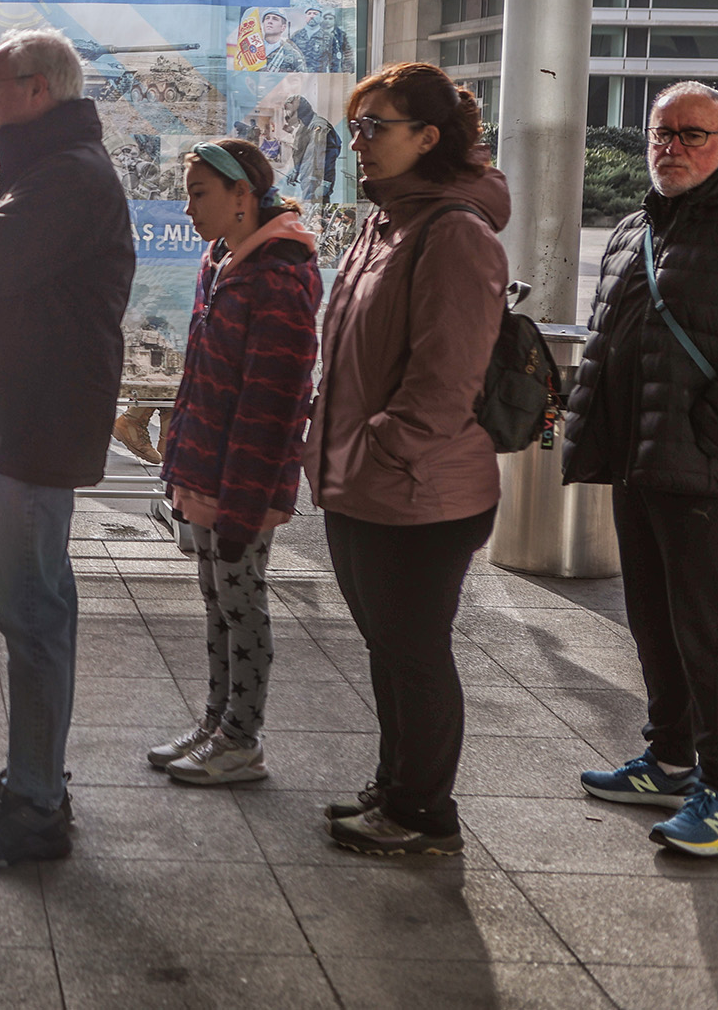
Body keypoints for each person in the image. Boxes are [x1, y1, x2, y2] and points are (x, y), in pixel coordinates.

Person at [0, 27, 135, 866]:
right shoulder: (49, 170)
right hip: (34, 415)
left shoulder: (64, 178)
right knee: (40, 603)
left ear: (38, 88)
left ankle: (38, 803)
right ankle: (33, 773)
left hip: (39, 421)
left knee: (32, 609)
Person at [565, 81, 718, 858]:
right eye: (663, 133)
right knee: (652, 618)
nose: (673, 147)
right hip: (639, 458)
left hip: (704, 462)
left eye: (693, 135)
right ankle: (667, 757)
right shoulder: (633, 227)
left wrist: (715, 426)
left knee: (706, 627)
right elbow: (608, 338)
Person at [304, 61, 509, 857]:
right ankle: (394, 788)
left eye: (374, 127)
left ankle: (425, 813)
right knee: (389, 647)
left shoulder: (453, 231)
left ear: (428, 137)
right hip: (366, 477)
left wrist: (380, 444)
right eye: (357, 127)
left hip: (420, 487)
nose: (359, 142)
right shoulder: (385, 220)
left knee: (415, 652)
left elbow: (444, 378)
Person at [152, 139, 321, 786]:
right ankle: (216, 722)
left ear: (242, 198)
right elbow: (202, 373)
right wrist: (180, 466)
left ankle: (242, 738)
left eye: (199, 193)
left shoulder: (279, 274)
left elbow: (273, 401)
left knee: (242, 606)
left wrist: (242, 505)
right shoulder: (222, 258)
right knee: (216, 604)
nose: (188, 206)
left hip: (240, 483)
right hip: (206, 471)